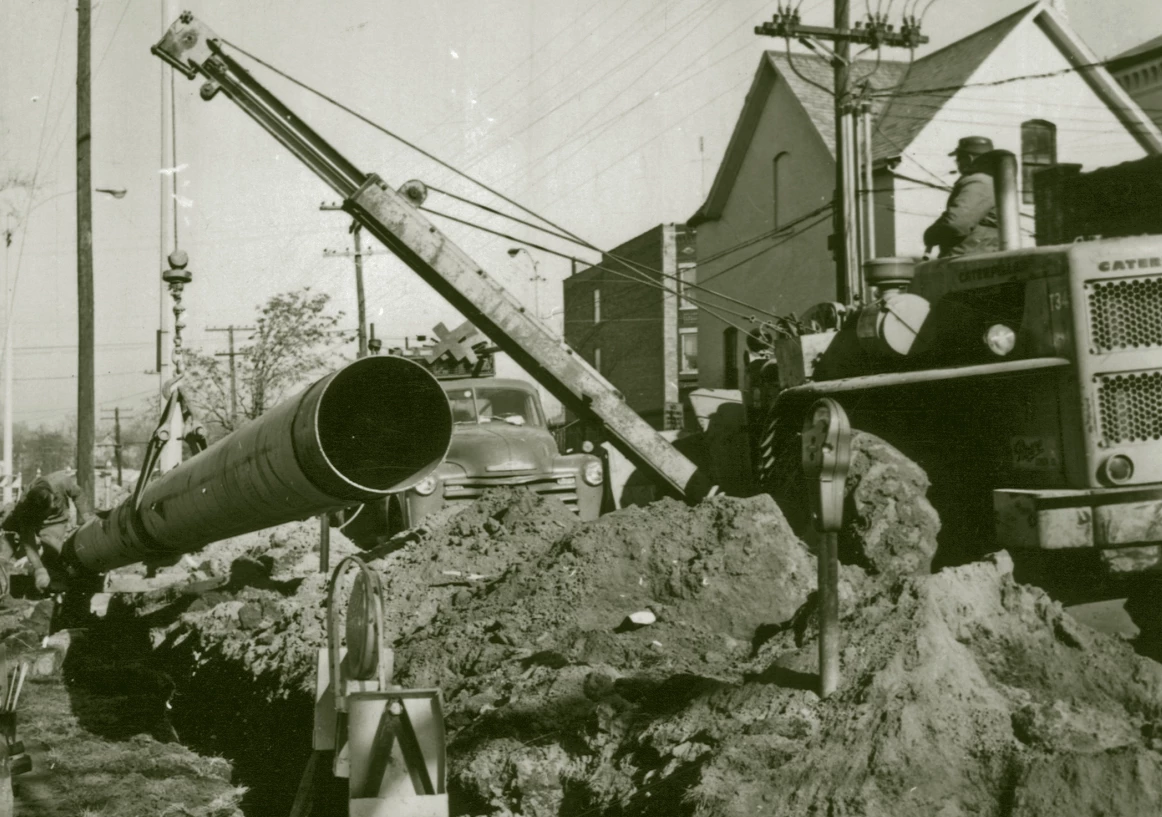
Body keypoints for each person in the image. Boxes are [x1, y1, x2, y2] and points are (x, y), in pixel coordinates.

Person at [0, 470, 95, 592]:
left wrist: (86, 517)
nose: (54, 506)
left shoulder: (61, 480)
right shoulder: (25, 508)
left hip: (57, 522)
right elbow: (29, 543)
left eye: (54, 501)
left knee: (53, 552)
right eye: (49, 508)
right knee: (9, 538)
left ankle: (55, 580)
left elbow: (78, 494)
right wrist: (39, 570)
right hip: (36, 521)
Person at [923, 136, 1000, 258]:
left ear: (969, 159)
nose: (957, 164)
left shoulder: (978, 182)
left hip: (968, 259)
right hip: (978, 255)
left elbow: (956, 224)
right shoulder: (989, 181)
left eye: (958, 159)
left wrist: (932, 234)